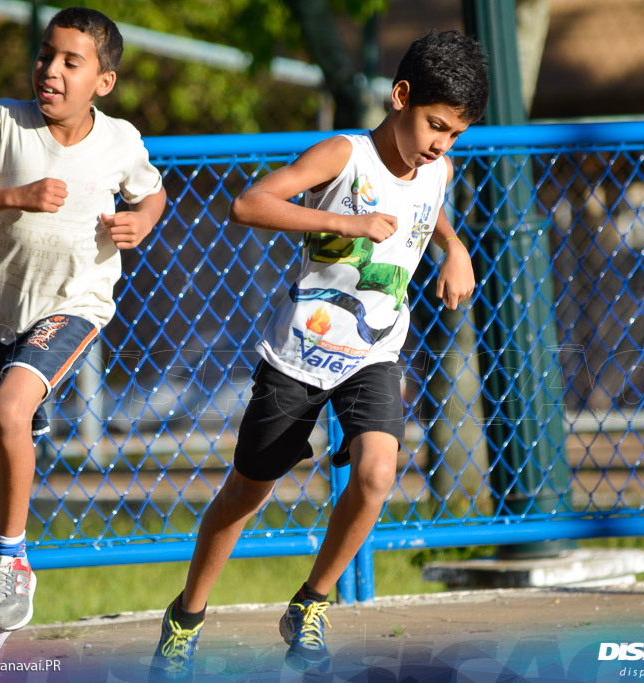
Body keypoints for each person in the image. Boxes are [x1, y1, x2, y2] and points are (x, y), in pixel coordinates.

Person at [149, 29, 488, 681]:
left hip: (375, 352)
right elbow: (250, 203)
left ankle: (311, 601)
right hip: (301, 352)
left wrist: (455, 247)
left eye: (455, 135)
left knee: (377, 475)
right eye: (435, 125)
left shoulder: (437, 168)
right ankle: (186, 617)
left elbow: (430, 206)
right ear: (400, 96)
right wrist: (346, 223)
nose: (442, 144)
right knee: (249, 492)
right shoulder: (345, 154)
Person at [0, 6, 166, 662]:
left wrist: (141, 222)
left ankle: (15, 558)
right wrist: (12, 196)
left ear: (102, 83)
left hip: (75, 303)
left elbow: (152, 193)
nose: (50, 71)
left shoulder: (120, 141)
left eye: (70, 62)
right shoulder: (1, 121)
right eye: (45, 55)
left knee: (12, 408)